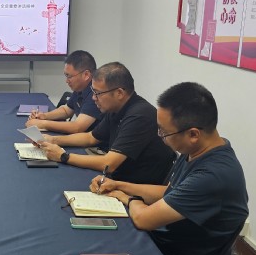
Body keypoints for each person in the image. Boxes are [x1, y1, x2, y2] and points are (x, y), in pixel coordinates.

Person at [89, 82, 249, 255]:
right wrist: (118, 184)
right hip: (166, 240)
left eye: (164, 132)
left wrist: (124, 196)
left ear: (193, 134)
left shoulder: (213, 176)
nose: (160, 137)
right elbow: (170, 191)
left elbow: (144, 219)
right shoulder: (200, 149)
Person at [38, 62, 174, 183]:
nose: (93, 98)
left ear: (119, 93)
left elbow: (109, 164)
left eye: (98, 93)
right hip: (117, 179)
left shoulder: (139, 116)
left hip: (133, 188)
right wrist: (53, 140)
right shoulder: (116, 108)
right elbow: (90, 137)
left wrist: (63, 156)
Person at [25, 50, 102, 134]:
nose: (66, 81)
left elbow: (77, 127)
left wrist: (43, 124)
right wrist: (44, 116)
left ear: (86, 75)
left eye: (69, 76)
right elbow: (67, 110)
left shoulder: (96, 93)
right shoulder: (81, 87)